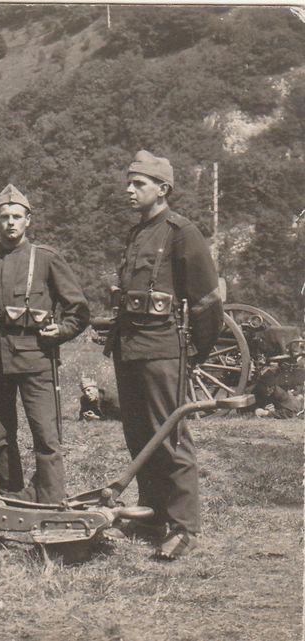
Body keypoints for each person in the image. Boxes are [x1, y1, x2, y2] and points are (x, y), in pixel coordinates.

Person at [106, 150, 223, 560]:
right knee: (140, 436)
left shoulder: (181, 232)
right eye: (129, 182)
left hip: (163, 351)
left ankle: (184, 527)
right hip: (131, 349)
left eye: (138, 183)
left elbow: (208, 300)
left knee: (170, 437)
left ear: (163, 189)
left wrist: (192, 353)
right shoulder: (137, 232)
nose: (129, 189)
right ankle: (152, 514)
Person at [0, 184, 89, 504]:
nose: (10, 222)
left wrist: (61, 331)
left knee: (45, 436)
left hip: (37, 359)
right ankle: (11, 498)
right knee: (2, 438)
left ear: (28, 220)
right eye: (4, 217)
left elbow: (78, 309)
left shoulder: (46, 259)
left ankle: (50, 499)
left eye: (17, 217)